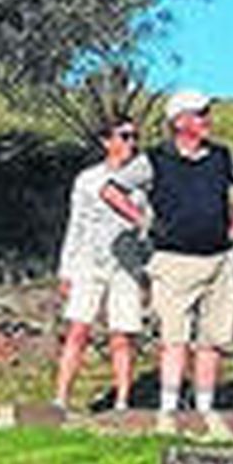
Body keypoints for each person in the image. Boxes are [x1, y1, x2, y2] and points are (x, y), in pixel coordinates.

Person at [115, 90, 233, 414]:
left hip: (219, 258)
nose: (207, 120)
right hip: (172, 260)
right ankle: (169, 410)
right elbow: (112, 190)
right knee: (173, 339)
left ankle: (204, 410)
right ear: (179, 121)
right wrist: (144, 222)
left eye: (206, 113)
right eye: (199, 114)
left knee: (213, 339)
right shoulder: (154, 159)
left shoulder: (223, 156)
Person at [52, 118, 150, 412]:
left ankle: (122, 401)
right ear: (107, 141)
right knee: (78, 329)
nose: (131, 143)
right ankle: (61, 398)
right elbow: (76, 224)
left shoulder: (144, 180)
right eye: (124, 136)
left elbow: (149, 225)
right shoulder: (88, 180)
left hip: (127, 264)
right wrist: (66, 269)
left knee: (122, 334)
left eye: (135, 137)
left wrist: (147, 267)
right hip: (89, 261)